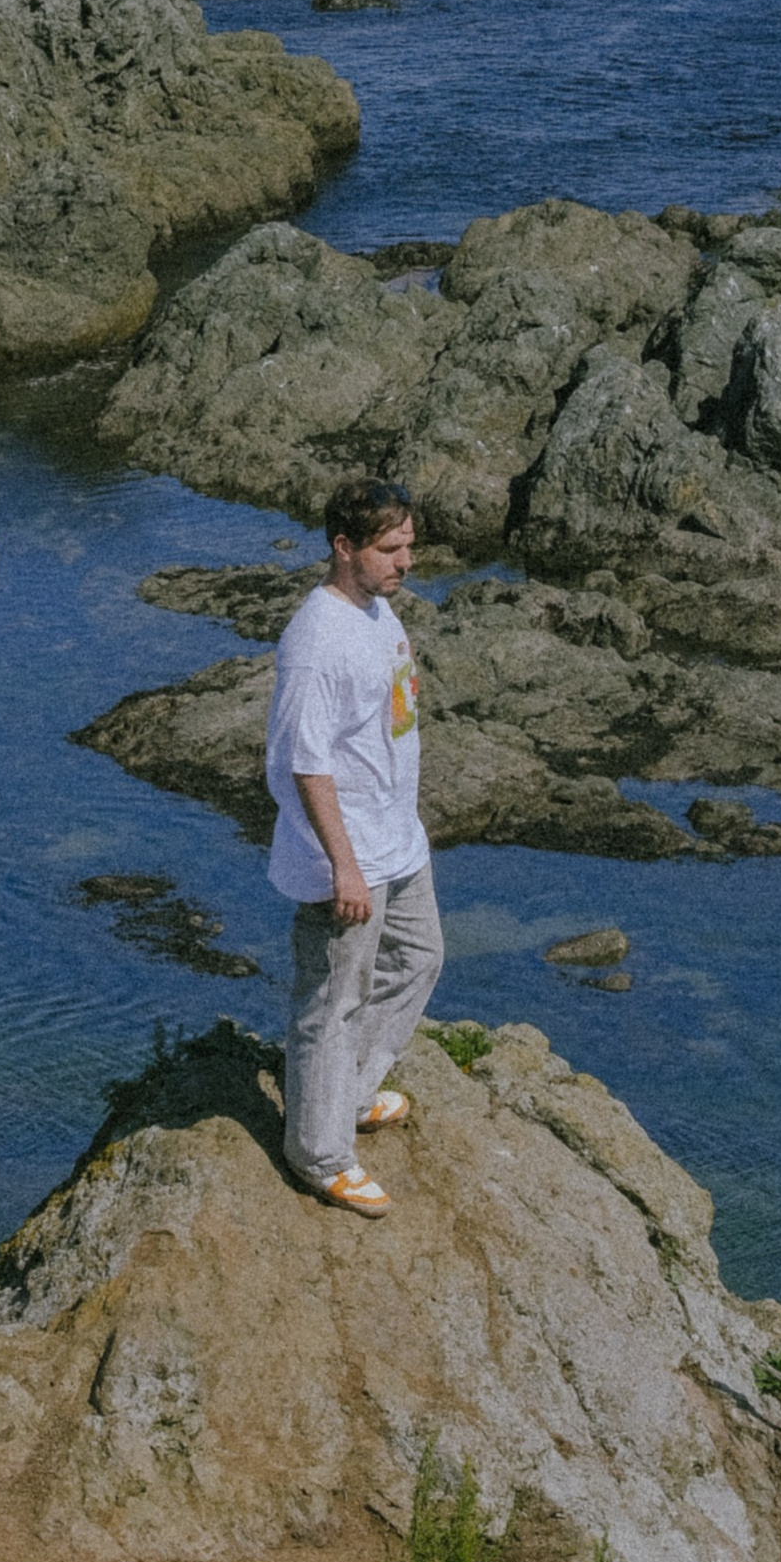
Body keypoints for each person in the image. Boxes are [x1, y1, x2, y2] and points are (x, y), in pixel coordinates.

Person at [264, 474, 444, 1217]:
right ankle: (319, 1151)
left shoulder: (375, 609)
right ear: (344, 548)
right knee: (332, 1003)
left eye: (408, 546)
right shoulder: (316, 643)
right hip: (351, 859)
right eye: (389, 548)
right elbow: (304, 764)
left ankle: (351, 1094)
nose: (406, 562)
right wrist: (344, 866)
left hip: (398, 843)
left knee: (420, 957)